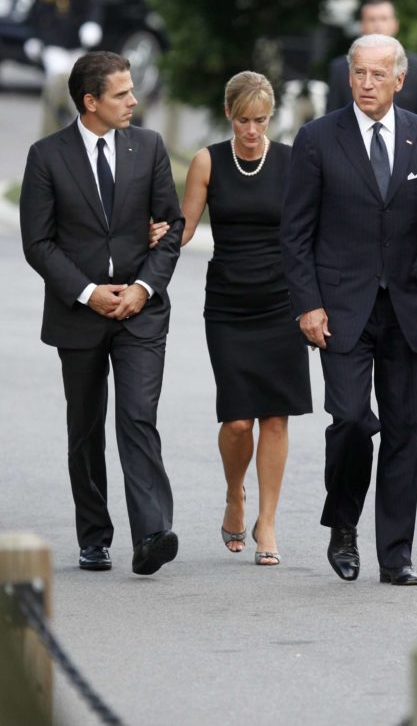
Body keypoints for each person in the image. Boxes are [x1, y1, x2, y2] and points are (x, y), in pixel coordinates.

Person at [282, 34, 417, 586]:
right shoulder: (316, 139)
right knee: (353, 420)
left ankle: (396, 555)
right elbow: (296, 233)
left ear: (400, 80)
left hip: (407, 307)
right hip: (340, 309)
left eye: (378, 75)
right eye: (359, 73)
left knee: (405, 430)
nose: (366, 83)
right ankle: (343, 524)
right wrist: (307, 304)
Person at [20, 51, 184, 575]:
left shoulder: (150, 147)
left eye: (132, 91)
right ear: (90, 102)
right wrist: (89, 292)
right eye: (121, 94)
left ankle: (152, 534)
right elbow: (38, 243)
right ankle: (95, 536)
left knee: (138, 416)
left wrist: (142, 287)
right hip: (80, 313)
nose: (134, 101)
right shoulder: (46, 156)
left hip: (141, 310)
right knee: (86, 427)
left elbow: (171, 227)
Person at [178, 71, 312, 566]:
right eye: (242, 120)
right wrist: (149, 244)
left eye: (260, 120)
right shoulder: (207, 161)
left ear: (270, 117)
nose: (252, 130)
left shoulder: (293, 162)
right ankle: (236, 494)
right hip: (230, 304)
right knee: (237, 422)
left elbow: (308, 233)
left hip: (281, 302)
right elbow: (184, 228)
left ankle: (268, 522)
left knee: (275, 416)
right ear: (229, 115)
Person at [326, 0, 417, 123]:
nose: (378, 25)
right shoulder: (341, 67)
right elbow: (332, 119)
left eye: (383, 19)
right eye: (372, 19)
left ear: (395, 24)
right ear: (362, 25)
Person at [24, 0, 104, 135]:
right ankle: (52, 132)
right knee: (57, 83)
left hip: (76, 46)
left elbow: (93, 6)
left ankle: (82, 132)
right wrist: (33, 36)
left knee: (79, 90)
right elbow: (35, 12)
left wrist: (92, 23)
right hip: (53, 44)